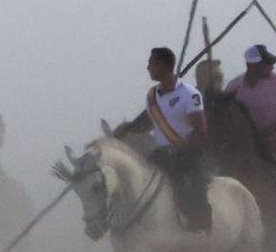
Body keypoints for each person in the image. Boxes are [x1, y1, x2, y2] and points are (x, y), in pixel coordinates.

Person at [114, 46, 212, 231]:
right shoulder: (152, 96)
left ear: (164, 66)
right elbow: (150, 123)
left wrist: (181, 148)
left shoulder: (189, 94)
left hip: (189, 154)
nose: (148, 67)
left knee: (192, 189)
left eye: (151, 63)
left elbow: (200, 130)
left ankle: (202, 227)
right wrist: (127, 130)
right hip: (163, 154)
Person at [222, 43, 276, 136]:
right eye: (266, 63)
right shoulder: (234, 86)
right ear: (252, 65)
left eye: (271, 63)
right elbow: (224, 114)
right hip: (245, 140)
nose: (271, 67)